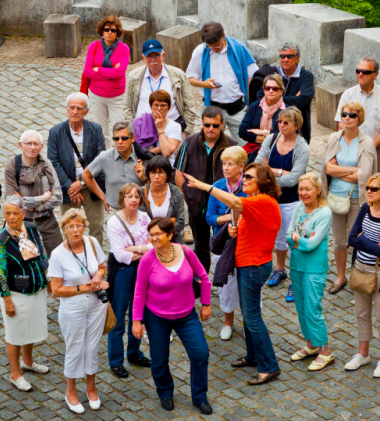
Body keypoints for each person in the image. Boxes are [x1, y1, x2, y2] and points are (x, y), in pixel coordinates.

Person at [183, 162, 282, 385]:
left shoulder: (264, 201)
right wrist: (234, 229)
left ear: (263, 182)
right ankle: (253, 355)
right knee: (249, 315)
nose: (244, 180)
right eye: (244, 176)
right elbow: (246, 219)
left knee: (252, 317)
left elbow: (235, 201)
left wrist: (205, 186)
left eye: (249, 177)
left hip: (253, 266)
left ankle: (269, 366)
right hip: (248, 263)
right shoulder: (256, 202)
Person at [132, 217, 213, 415]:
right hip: (157, 317)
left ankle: (200, 396)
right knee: (159, 359)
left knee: (200, 354)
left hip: (187, 316)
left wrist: (206, 304)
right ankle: (165, 392)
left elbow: (203, 277)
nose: (154, 238)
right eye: (151, 235)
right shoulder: (147, 260)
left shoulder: (185, 252)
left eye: (158, 234)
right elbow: (139, 292)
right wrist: (136, 321)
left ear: (170, 235)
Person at [47, 209, 110, 414]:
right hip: (72, 306)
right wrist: (85, 287)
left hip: (96, 305)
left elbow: (102, 266)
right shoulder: (58, 254)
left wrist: (99, 275)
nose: (76, 230)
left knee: (92, 346)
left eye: (79, 225)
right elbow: (56, 290)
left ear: (84, 226)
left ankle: (91, 389)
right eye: (71, 226)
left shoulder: (91, 242)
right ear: (64, 229)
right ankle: (70, 391)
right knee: (75, 347)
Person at [345, 173, 380, 378]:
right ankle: (363, 354)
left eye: (374, 188)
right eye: (368, 187)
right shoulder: (366, 208)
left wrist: (363, 240)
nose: (369, 191)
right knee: (361, 313)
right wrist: (373, 244)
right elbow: (351, 238)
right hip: (360, 268)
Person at [0, 196, 50, 392]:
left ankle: (27, 362)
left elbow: (42, 253)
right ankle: (15, 374)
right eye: (7, 213)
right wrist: (7, 299)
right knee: (15, 334)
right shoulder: (2, 240)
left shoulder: (31, 228)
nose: (11, 217)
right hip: (15, 294)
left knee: (31, 328)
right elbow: (0, 273)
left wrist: (47, 280)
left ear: (23, 214)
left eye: (15, 213)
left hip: (36, 289)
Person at [322, 101, 378, 295]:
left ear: (359, 119)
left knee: (356, 240)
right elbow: (328, 168)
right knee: (338, 241)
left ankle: (357, 274)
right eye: (344, 114)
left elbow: (365, 175)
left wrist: (341, 171)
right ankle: (340, 276)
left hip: (357, 199)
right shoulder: (334, 139)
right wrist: (352, 170)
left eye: (352, 115)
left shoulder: (366, 142)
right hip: (335, 197)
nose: (347, 118)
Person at [255, 107, 310, 301]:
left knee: (293, 239)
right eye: (279, 121)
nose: (281, 125)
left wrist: (271, 171)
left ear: (297, 125)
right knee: (277, 238)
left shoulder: (302, 147)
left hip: (291, 201)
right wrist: (280, 172)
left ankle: (295, 281)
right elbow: (256, 167)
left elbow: (294, 179)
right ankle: (280, 269)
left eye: (286, 122)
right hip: (271, 200)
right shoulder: (271, 139)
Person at [174, 106, 237, 272]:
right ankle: (202, 282)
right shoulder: (189, 143)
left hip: (223, 206)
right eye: (207, 125)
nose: (211, 129)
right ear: (201, 124)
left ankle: (225, 278)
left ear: (222, 124)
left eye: (215, 125)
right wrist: (189, 196)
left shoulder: (232, 145)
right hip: (197, 205)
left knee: (224, 242)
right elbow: (179, 173)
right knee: (200, 246)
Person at [286, 173, 334, 371]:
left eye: (308, 189)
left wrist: (299, 240)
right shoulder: (299, 207)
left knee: (312, 309)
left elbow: (313, 244)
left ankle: (325, 351)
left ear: (318, 190)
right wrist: (299, 239)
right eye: (301, 189)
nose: (303, 193)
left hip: (314, 268)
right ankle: (311, 345)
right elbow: (288, 236)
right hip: (297, 265)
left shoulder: (325, 213)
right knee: (301, 307)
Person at [106, 183, 152, 378]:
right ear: (122, 199)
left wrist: (135, 249)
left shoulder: (144, 218)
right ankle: (116, 361)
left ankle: (134, 353)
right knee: (118, 315)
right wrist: (143, 250)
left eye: (137, 196)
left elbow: (153, 245)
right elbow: (119, 255)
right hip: (123, 271)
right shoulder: (114, 222)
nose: (133, 199)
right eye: (129, 196)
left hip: (143, 269)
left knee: (138, 312)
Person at [48, 92, 107, 244]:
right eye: (72, 108)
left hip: (91, 186)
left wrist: (81, 183)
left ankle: (96, 261)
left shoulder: (95, 130)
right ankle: (70, 261)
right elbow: (53, 162)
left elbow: (100, 161)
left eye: (79, 108)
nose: (75, 111)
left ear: (86, 111)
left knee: (96, 226)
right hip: (68, 189)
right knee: (69, 227)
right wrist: (70, 186)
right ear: (66, 109)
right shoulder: (56, 132)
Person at [186, 22, 259, 145]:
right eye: (210, 47)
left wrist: (250, 102)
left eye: (217, 46)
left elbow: (252, 76)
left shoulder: (238, 48)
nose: (214, 49)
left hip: (236, 108)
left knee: (247, 145)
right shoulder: (200, 51)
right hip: (211, 108)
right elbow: (189, 78)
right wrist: (204, 84)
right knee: (210, 146)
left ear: (223, 36)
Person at [205, 146, 248, 341]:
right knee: (226, 285)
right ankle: (228, 321)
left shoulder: (248, 187)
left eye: (230, 164)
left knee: (246, 283)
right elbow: (210, 218)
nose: (225, 167)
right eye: (224, 164)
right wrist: (228, 218)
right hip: (223, 242)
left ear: (241, 167)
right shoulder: (218, 186)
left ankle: (249, 322)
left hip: (245, 243)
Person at [4, 130, 64, 254]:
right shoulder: (12, 166)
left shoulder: (46, 164)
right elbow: (11, 201)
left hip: (47, 223)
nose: (32, 147)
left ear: (41, 147)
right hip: (22, 225)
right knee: (27, 263)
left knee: (57, 257)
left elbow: (58, 197)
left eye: (36, 144)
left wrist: (32, 207)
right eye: (28, 143)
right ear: (21, 145)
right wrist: (42, 198)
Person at [123, 38, 199, 135]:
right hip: (143, 130)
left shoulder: (178, 75)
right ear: (143, 58)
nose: (153, 60)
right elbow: (127, 106)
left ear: (163, 55)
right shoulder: (133, 77)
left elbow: (189, 106)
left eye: (156, 56)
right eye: (149, 56)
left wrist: (185, 132)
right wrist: (134, 129)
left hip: (171, 129)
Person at [334, 57, 380, 171]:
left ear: (375, 74)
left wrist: (370, 147)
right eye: (358, 71)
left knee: (374, 186)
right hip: (351, 150)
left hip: (376, 152)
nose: (361, 74)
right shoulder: (348, 94)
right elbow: (341, 124)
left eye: (366, 72)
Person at [83, 16, 130, 148]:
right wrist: (110, 73)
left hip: (117, 97)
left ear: (118, 32)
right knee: (102, 132)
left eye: (113, 30)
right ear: (102, 31)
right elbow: (88, 72)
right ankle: (106, 158)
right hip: (97, 96)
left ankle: (120, 157)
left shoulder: (123, 49)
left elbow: (120, 72)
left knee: (119, 130)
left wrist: (98, 69)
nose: (110, 32)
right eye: (107, 29)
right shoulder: (94, 46)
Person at [83, 121, 146, 215]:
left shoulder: (144, 157)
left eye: (124, 138)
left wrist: (144, 178)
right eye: (116, 138)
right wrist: (103, 197)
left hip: (139, 212)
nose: (120, 142)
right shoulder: (105, 157)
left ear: (133, 138)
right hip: (115, 211)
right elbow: (86, 175)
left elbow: (156, 185)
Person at [257, 43, 316, 144]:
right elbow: (260, 97)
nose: (285, 59)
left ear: (297, 58)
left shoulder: (306, 76)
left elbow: (302, 101)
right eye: (282, 56)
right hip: (273, 128)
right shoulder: (272, 73)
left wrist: (273, 99)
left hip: (298, 130)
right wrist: (293, 98)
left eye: (290, 56)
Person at [138, 156, 187, 244]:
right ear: (148, 174)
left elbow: (181, 222)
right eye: (153, 173)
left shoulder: (175, 192)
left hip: (172, 241)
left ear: (167, 174)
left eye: (160, 173)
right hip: (149, 242)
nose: (156, 177)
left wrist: (163, 234)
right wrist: (169, 221)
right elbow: (142, 223)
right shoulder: (142, 192)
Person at [239, 74, 285, 161]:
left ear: (281, 91)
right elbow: (242, 131)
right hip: (254, 151)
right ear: (264, 90)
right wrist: (268, 136)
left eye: (274, 88)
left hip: (278, 152)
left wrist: (260, 132)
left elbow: (283, 135)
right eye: (267, 88)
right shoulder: (255, 106)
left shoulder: (287, 110)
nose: (270, 91)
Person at [145, 90, 181, 166]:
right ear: (151, 107)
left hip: (167, 167)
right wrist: (161, 148)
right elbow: (139, 152)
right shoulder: (141, 123)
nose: (159, 108)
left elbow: (167, 152)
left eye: (163, 105)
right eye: (156, 105)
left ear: (169, 108)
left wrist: (160, 129)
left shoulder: (175, 126)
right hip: (146, 166)